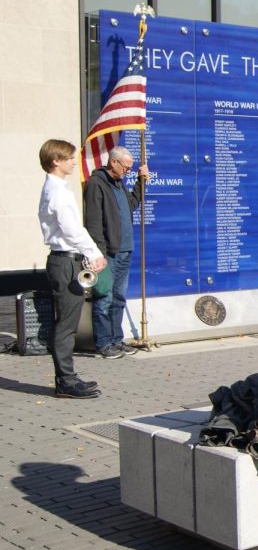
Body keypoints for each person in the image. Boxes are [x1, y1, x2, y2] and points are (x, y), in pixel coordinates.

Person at [38, 140, 107, 399]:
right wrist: (93, 252)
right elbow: (71, 230)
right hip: (65, 261)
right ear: (55, 160)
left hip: (66, 259)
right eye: (69, 158)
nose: (73, 161)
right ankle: (65, 381)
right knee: (66, 324)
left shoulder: (55, 188)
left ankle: (67, 377)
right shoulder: (57, 191)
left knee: (68, 322)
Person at [83, 145, 149, 358]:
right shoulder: (97, 184)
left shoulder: (120, 184)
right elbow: (93, 222)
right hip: (108, 253)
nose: (127, 171)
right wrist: (98, 253)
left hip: (125, 250)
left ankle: (116, 339)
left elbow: (131, 205)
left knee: (119, 297)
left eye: (130, 169)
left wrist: (140, 181)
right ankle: (103, 343)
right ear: (113, 162)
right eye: (126, 168)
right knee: (104, 297)